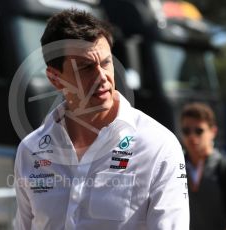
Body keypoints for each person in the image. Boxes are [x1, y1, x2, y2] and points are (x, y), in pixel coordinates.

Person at [14, 9, 189, 230]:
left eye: (106, 63)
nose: (102, 77)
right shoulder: (30, 150)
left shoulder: (158, 145)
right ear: (55, 79)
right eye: (86, 68)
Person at [180, 102, 226, 230]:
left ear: (213, 132)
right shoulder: (176, 166)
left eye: (199, 131)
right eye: (186, 131)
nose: (192, 137)